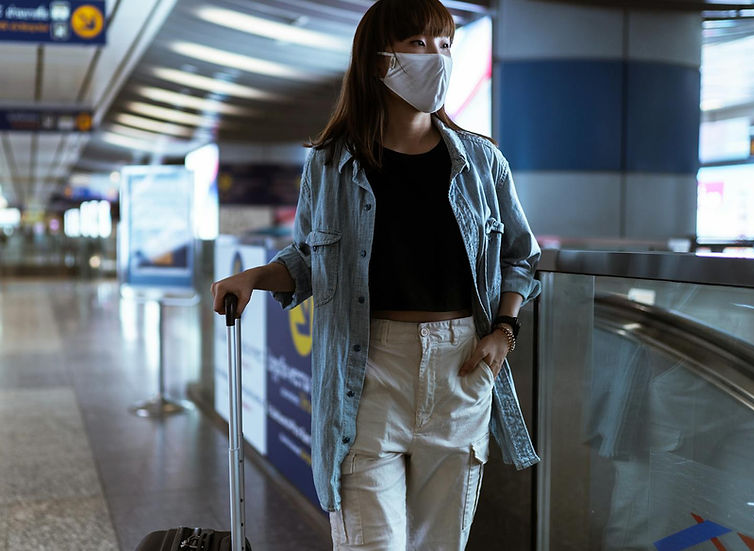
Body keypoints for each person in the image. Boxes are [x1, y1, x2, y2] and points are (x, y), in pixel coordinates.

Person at [211, 0, 541, 549]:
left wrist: (503, 332)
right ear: (378, 60)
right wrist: (255, 277)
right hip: (366, 372)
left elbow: (520, 256)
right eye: (418, 44)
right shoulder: (332, 163)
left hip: (462, 365)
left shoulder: (483, 163)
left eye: (444, 46)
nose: (436, 59)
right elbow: (310, 261)